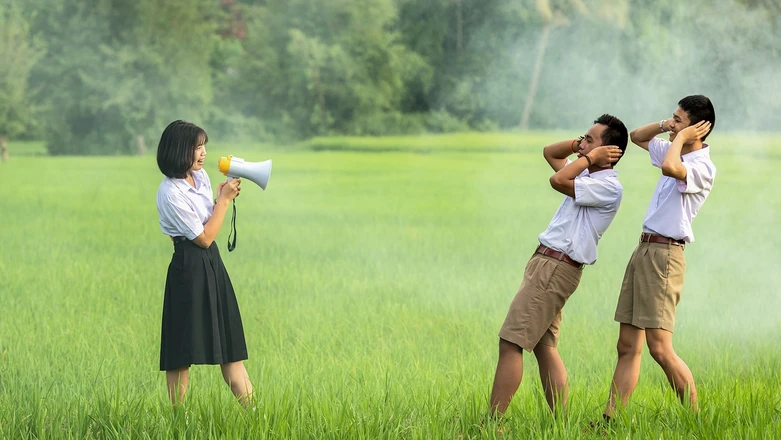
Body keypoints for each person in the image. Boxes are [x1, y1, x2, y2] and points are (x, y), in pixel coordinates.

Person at [489, 114, 628, 417]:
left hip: (555, 267)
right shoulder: (587, 175)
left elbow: (557, 180)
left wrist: (589, 157)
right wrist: (581, 146)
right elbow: (550, 153)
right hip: (549, 264)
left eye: (590, 139)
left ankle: (490, 425)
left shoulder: (607, 186)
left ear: (609, 152)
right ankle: (561, 424)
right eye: (583, 138)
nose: (582, 145)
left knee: (511, 342)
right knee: (543, 347)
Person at [601, 95, 716, 422]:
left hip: (666, 255)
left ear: (697, 129)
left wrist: (680, 137)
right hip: (645, 249)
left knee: (660, 348)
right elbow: (637, 136)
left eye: (679, 119)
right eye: (673, 118)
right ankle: (611, 420)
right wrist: (669, 127)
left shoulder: (702, 166)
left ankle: (696, 421)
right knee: (627, 345)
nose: (671, 124)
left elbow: (670, 167)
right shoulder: (674, 147)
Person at [155, 120, 253, 406]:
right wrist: (223, 202)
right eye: (197, 147)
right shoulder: (170, 193)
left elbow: (209, 226)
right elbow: (205, 237)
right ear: (178, 151)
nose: (203, 153)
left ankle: (257, 416)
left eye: (203, 147)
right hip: (188, 268)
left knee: (230, 346)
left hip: (212, 264)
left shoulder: (201, 178)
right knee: (180, 352)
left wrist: (222, 199)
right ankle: (179, 421)